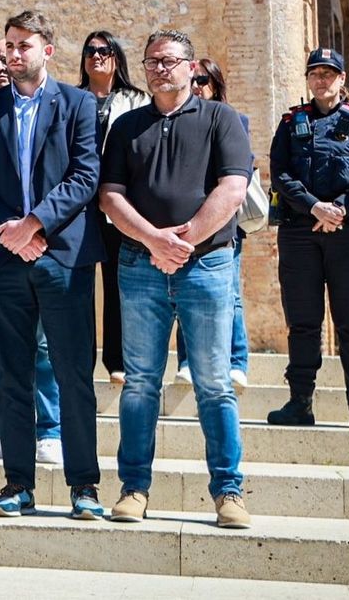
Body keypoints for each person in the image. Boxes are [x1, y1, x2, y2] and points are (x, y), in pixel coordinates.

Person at [98, 29, 252, 529]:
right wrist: (153, 241)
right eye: (151, 62)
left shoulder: (221, 119)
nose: (160, 69)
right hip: (140, 268)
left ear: (190, 67)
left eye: (169, 61)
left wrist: (181, 241)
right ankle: (134, 490)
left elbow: (233, 188)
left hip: (207, 266)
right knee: (140, 384)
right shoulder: (126, 127)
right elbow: (110, 197)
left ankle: (229, 493)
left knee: (213, 382)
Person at [0, 10, 104, 520]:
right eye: (8, 46)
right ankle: (17, 483)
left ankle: (84, 486)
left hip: (62, 258)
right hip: (3, 259)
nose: (13, 54)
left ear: (47, 49)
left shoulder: (79, 103)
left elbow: (86, 175)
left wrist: (36, 225)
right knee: (12, 375)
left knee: (72, 375)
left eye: (24, 45)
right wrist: (11, 229)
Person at [0, 42, 64, 466]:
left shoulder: (55, 107)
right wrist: (9, 231)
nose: (1, 67)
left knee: (42, 346)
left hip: (46, 247)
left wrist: (33, 227)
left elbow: (73, 174)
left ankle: (50, 430)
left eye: (8, 59)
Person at [267, 49, 349, 429]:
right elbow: (280, 173)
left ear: (342, 78)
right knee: (303, 322)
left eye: (329, 73)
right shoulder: (290, 122)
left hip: (348, 233)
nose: (321, 80)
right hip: (301, 231)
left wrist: (340, 210)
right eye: (315, 73)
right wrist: (315, 207)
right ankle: (300, 403)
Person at [172, 59, 252, 392]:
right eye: (191, 79)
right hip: (184, 225)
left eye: (202, 80)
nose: (195, 86)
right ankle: (188, 362)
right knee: (182, 295)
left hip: (223, 227)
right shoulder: (177, 121)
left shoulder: (234, 120)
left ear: (216, 84)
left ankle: (237, 362)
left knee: (230, 295)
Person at [78, 30, 147, 384]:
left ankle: (118, 361)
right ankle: (82, 361)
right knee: (79, 287)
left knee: (119, 284)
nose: (96, 56)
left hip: (121, 205)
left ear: (117, 57)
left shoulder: (137, 100)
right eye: (90, 50)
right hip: (79, 208)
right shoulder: (72, 99)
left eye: (104, 50)